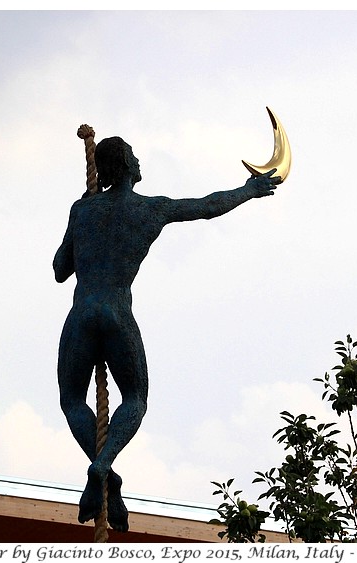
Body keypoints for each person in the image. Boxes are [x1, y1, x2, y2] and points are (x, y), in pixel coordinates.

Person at [53, 136, 280, 531]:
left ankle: (102, 469)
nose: (141, 160)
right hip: (118, 314)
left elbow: (59, 269)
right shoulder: (149, 209)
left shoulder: (81, 209)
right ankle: (103, 466)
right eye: (135, 156)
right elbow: (207, 207)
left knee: (72, 400)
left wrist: (84, 218)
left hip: (82, 314)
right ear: (126, 163)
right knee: (136, 398)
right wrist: (248, 191)